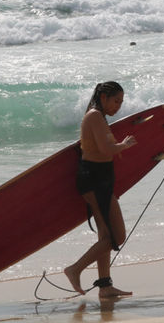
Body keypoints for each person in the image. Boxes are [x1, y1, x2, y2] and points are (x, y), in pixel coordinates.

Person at [64, 82, 136, 298]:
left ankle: (105, 286)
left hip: (100, 179)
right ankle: (75, 269)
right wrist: (124, 145)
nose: (118, 107)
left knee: (105, 235)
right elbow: (106, 150)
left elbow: (98, 149)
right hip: (94, 180)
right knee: (117, 236)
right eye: (116, 101)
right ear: (103, 97)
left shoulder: (97, 116)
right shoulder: (95, 116)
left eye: (121, 102)